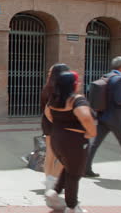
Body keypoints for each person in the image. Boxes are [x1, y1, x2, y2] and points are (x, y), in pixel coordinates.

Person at [44, 71, 96, 213]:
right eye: (77, 81)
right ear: (72, 84)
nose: (79, 84)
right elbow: (85, 117)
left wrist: (61, 126)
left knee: (68, 168)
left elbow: (48, 114)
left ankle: (54, 191)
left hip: (57, 140)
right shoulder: (76, 100)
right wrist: (91, 132)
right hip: (75, 143)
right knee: (74, 174)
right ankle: (72, 207)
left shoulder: (54, 99)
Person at [85, 56, 121, 178]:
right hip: (115, 119)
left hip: (103, 116)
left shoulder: (107, 76)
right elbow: (119, 100)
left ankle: (85, 169)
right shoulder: (119, 79)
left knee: (94, 144)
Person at [41, 64, 70, 190]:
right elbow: (48, 109)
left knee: (50, 154)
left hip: (48, 124)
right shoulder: (58, 89)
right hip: (56, 124)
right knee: (64, 155)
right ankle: (52, 180)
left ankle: (49, 180)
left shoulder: (47, 88)